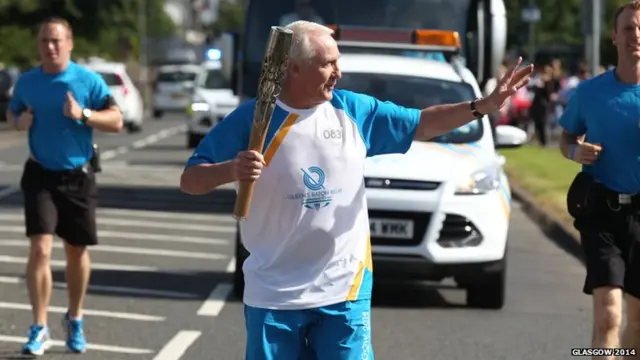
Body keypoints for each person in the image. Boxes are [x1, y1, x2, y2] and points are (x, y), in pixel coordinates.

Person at [180, 20, 531, 360]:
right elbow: (191, 180)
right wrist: (230, 170)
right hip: (273, 291)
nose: (338, 72)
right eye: (327, 63)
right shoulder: (253, 120)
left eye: (338, 62)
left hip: (343, 287)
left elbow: (422, 123)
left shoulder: (352, 111)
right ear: (294, 69)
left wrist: (481, 107)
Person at [6, 17, 123, 355]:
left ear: (70, 44)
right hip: (40, 173)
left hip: (78, 175)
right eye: (45, 41)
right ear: (38, 45)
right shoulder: (28, 82)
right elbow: (12, 114)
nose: (51, 46)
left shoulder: (87, 80)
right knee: (40, 248)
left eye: (57, 41)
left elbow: (116, 121)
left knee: (76, 250)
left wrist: (83, 114)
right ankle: (39, 326)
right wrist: (18, 121)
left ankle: (75, 317)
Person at [558, 2, 640, 358]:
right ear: (614, 36)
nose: (635, 36)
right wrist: (576, 152)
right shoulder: (590, 92)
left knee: (637, 323)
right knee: (609, 315)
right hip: (602, 211)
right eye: (628, 28)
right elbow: (565, 138)